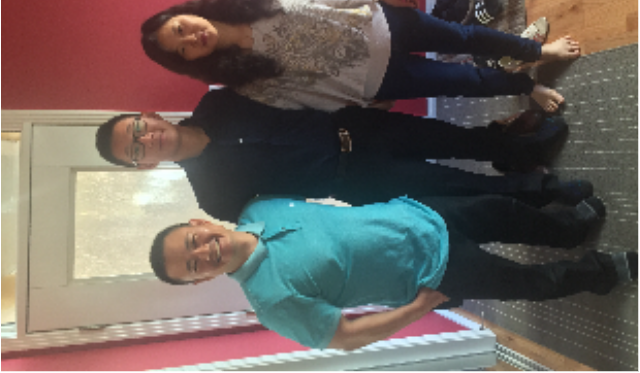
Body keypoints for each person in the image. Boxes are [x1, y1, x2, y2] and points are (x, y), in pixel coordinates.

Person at [149, 195, 637, 350]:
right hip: (434, 272)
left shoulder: (260, 208)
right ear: (201, 280)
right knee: (526, 282)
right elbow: (345, 337)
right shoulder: (272, 303)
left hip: (420, 214)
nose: (204, 253)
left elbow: (328, 211)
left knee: (506, 211)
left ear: (199, 225)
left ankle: (571, 227)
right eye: (193, 266)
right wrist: (417, 309)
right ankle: (602, 272)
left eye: (193, 243)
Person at [96, 88, 589, 224]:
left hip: (356, 126)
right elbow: (287, 217)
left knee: (452, 138)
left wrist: (360, 98)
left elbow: (295, 92)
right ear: (143, 166)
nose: (147, 140)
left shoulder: (219, 101)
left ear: (148, 115)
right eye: (135, 150)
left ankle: (523, 149)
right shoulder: (213, 198)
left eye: (138, 130)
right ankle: (540, 191)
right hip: (353, 180)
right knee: (455, 185)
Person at [140, 0, 581, 113]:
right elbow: (303, 99)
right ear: (188, 61)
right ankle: (527, 86)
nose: (191, 38)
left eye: (180, 29)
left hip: (383, 21)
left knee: (465, 37)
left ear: (183, 13)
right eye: (182, 50)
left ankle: (538, 50)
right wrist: (361, 104)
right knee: (463, 82)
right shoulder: (240, 80)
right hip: (378, 79)